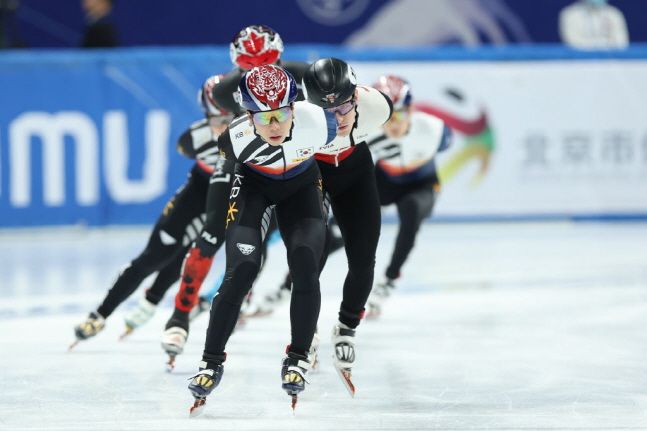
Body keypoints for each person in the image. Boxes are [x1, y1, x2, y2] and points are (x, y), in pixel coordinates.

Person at [186, 65, 337, 414]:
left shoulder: (321, 123)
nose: (273, 125)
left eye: (282, 114)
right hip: (254, 188)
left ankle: (298, 356)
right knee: (240, 272)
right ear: (247, 114)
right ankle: (210, 361)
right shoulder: (233, 139)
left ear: (295, 107)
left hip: (302, 188)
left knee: (305, 264)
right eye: (263, 116)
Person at [165, 24, 312, 335]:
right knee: (214, 231)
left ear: (281, 58)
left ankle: (283, 310)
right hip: (251, 164)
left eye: (269, 66)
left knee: (286, 236)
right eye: (251, 69)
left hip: (298, 162)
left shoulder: (307, 76)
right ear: (237, 66)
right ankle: (179, 315)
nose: (262, 77)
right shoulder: (223, 91)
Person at [71, 75, 233, 347]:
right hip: (197, 195)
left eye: (230, 120)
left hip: (230, 198)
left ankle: (150, 303)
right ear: (205, 116)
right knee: (156, 256)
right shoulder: (195, 137)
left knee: (188, 254)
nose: (224, 128)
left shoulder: (254, 130)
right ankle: (101, 313)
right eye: (217, 122)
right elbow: (187, 146)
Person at [301, 58, 392, 393]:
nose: (337, 119)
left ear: (356, 98)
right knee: (310, 256)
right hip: (313, 173)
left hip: (356, 171)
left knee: (364, 256)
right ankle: (305, 331)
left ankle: (346, 328)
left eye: (343, 108)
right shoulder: (293, 115)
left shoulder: (378, 107)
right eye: (326, 112)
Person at [365, 75, 452, 316]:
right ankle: (289, 284)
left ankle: (389, 279)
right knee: (341, 226)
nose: (393, 124)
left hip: (421, 185)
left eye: (400, 114)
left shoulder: (436, 130)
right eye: (386, 117)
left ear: (412, 110)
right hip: (384, 181)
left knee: (412, 210)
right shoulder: (364, 131)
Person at [559, 0, 629, 50]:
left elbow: (622, 44)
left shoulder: (613, 14)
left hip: (611, 62)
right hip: (580, 63)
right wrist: (603, 45)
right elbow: (573, 44)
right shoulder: (570, 14)